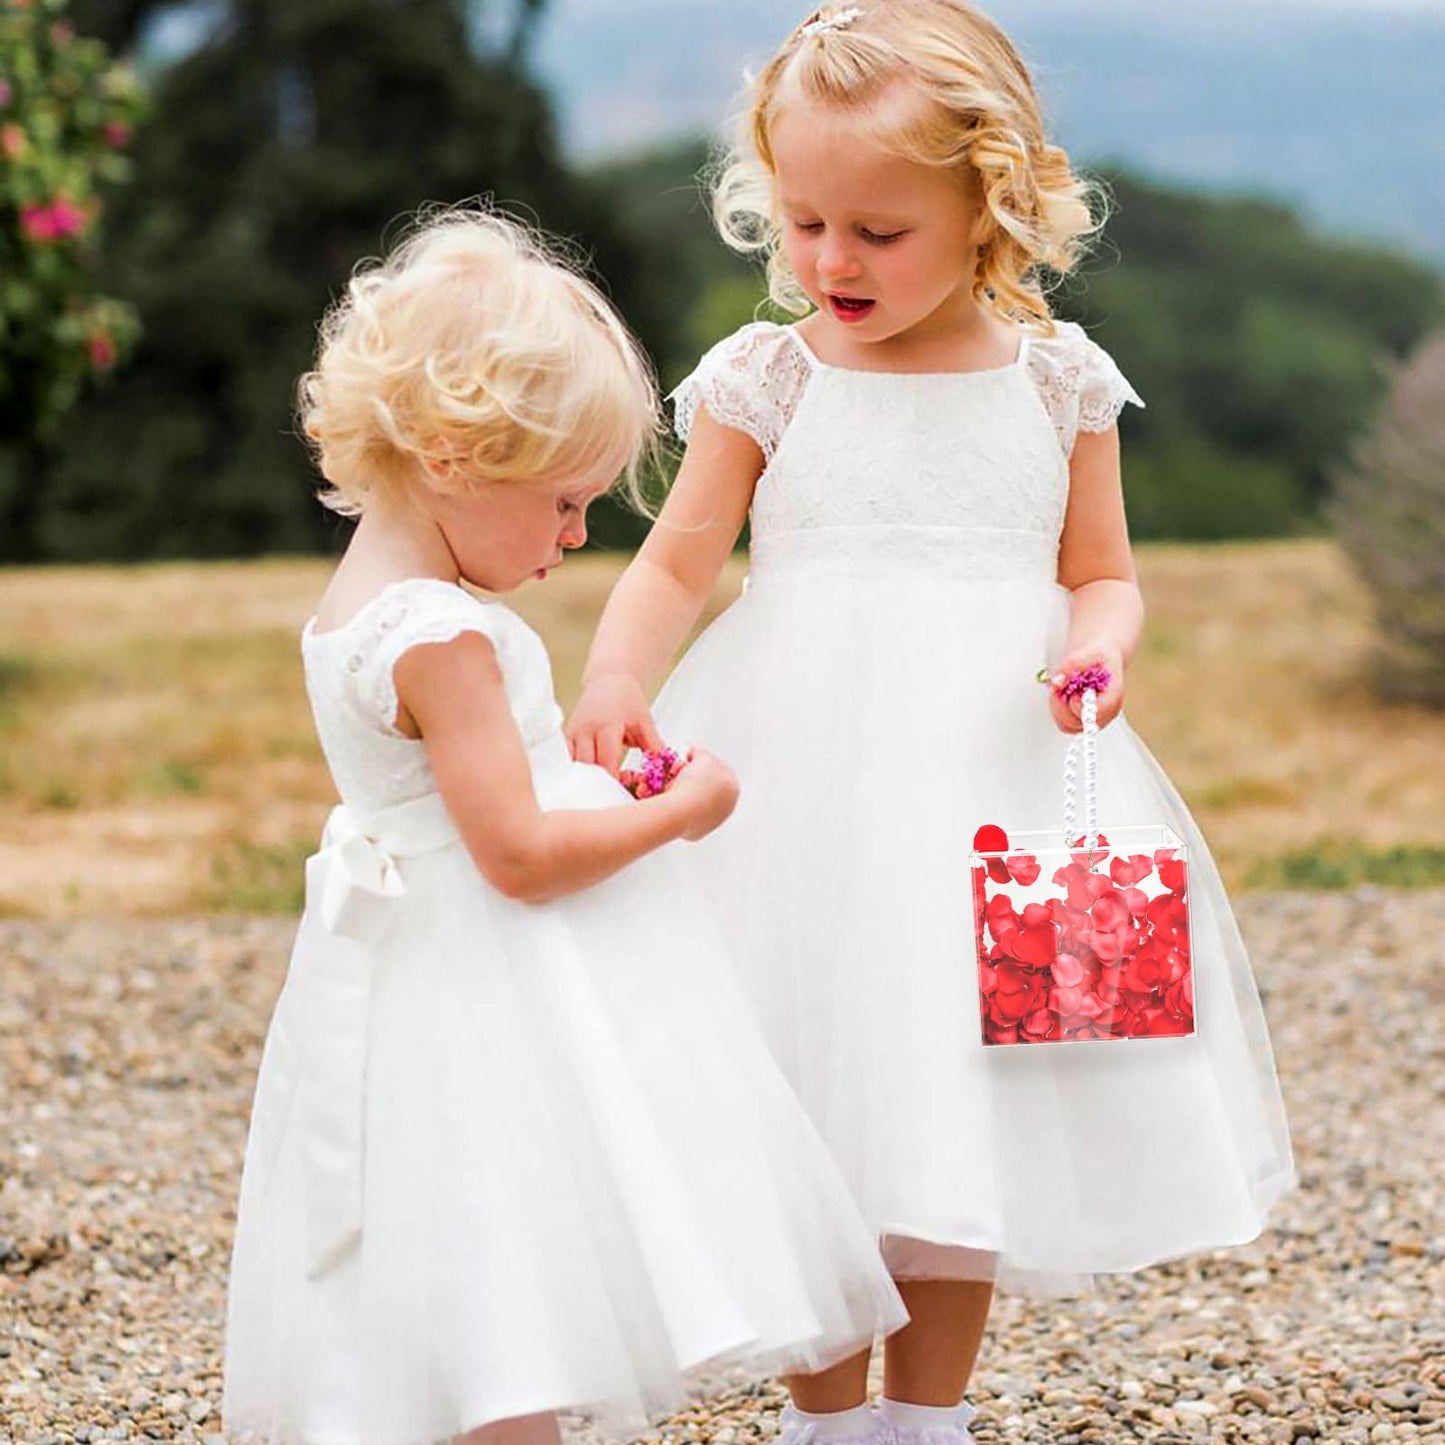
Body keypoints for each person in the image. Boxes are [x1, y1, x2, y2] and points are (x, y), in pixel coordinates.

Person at [567, 5, 1295, 1441]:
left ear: (988, 209)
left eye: (877, 232)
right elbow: (674, 559)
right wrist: (614, 677)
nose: (831, 262)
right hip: (797, 785)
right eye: (805, 222)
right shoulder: (769, 379)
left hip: (993, 777)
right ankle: (828, 1417)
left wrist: (1097, 644)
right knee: (809, 1082)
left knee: (958, 1097)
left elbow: (1102, 570)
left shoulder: (1057, 381)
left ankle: (925, 1419)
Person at [222, 206, 905, 1445]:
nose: (577, 537)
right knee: (509, 1257)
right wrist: (680, 811)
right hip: (482, 989)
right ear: (451, 456)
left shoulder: (356, 607)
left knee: (454, 1254)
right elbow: (520, 854)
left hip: (402, 975)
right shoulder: (444, 637)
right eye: (563, 503)